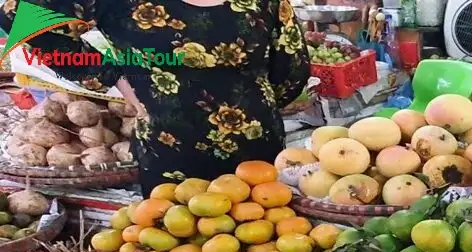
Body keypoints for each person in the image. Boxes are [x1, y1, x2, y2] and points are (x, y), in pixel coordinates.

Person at [0, 0, 310, 194]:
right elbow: (20, 16)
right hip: (175, 154)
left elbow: (293, 72)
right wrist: (113, 76)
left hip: (245, 155)